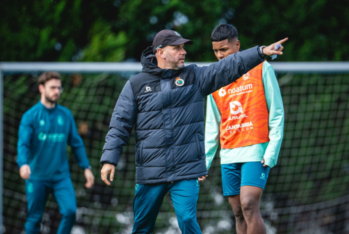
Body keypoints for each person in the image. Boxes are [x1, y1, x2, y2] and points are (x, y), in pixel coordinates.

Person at [100, 29, 287, 234]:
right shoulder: (136, 84)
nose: (184, 52)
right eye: (177, 48)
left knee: (189, 221)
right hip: (151, 171)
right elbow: (119, 124)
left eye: (183, 47)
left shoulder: (195, 76)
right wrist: (110, 159)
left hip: (185, 170)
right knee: (141, 227)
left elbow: (229, 66)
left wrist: (260, 52)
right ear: (161, 52)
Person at [205, 24, 285, 234]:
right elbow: (212, 126)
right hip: (229, 154)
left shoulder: (261, 67)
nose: (220, 55)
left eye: (224, 49)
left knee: (249, 204)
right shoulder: (213, 80)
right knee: (239, 212)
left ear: (237, 45)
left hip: (256, 150)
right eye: (216, 51)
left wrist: (272, 150)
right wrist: (204, 162)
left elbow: (277, 112)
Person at [17, 72, 95, 234]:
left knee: (70, 211)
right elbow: (23, 144)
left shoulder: (65, 115)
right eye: (52, 87)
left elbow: (76, 144)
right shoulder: (30, 116)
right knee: (34, 218)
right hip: (37, 176)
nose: (56, 91)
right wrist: (23, 163)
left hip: (61, 176)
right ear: (41, 88)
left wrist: (86, 167)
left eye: (59, 88)